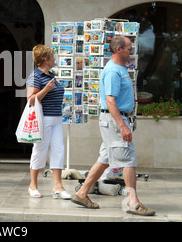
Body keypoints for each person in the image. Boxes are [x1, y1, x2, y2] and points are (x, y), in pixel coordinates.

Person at [71, 36, 156, 216]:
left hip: (117, 120)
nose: (131, 52)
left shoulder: (120, 69)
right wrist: (122, 126)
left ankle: (81, 193)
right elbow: (110, 101)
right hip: (115, 120)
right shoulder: (112, 71)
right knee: (128, 159)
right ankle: (133, 203)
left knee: (105, 159)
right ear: (119, 50)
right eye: (129, 49)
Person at [26, 44, 71, 199]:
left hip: (56, 118)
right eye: (53, 57)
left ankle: (57, 186)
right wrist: (45, 90)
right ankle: (33, 186)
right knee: (40, 150)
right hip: (43, 119)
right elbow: (30, 100)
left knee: (58, 150)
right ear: (46, 60)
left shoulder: (51, 74)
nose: (54, 59)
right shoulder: (35, 76)